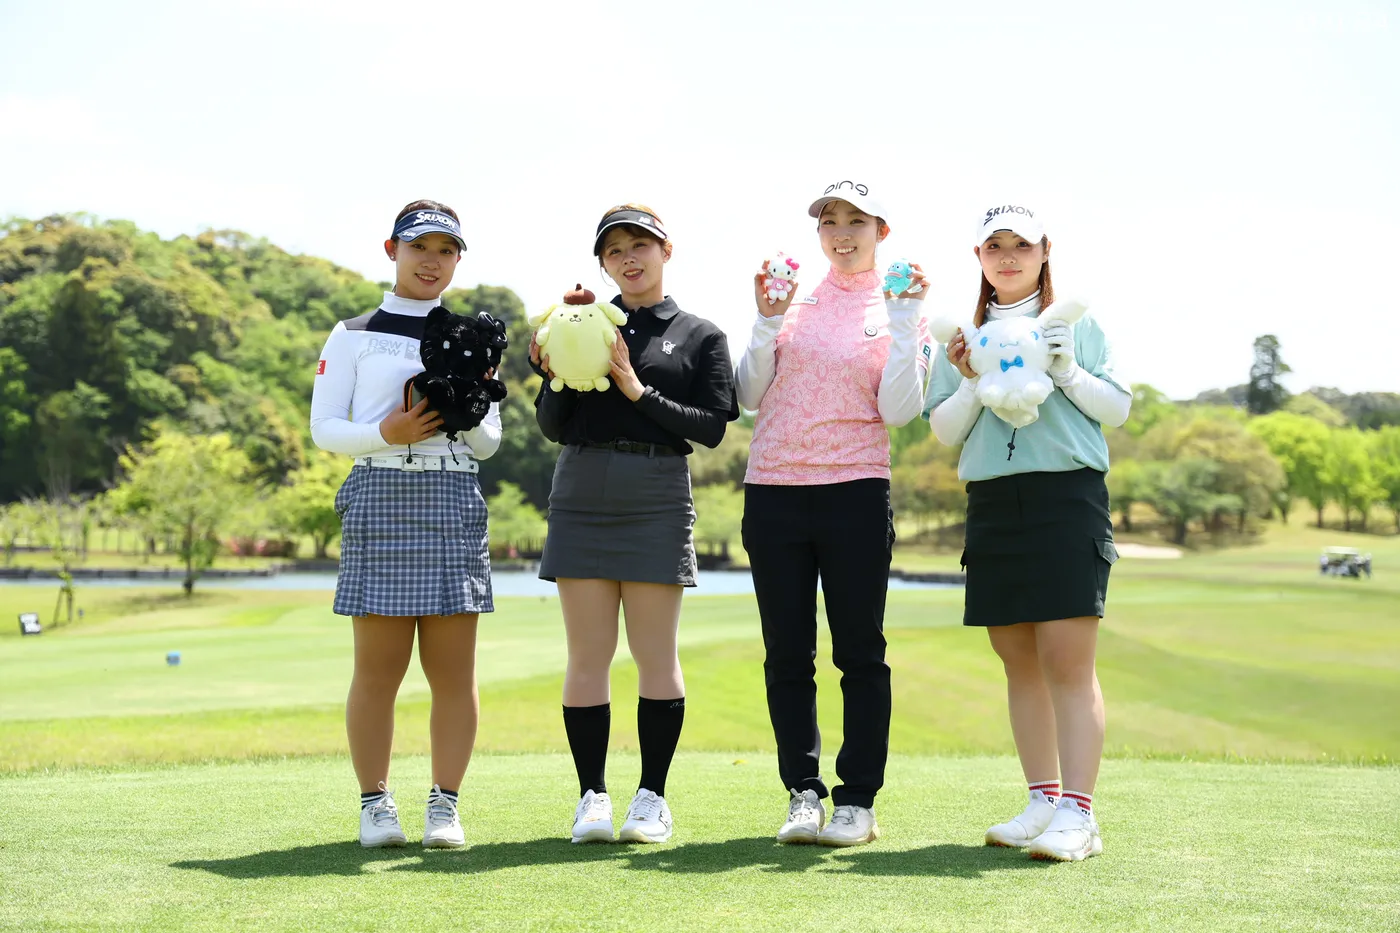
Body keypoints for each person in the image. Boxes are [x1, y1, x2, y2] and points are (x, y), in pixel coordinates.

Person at [924, 202, 1131, 861]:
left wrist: (1065, 371)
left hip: (1066, 496)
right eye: (995, 246)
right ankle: (1043, 799)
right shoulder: (963, 335)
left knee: (1067, 661)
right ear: (979, 257)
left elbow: (1118, 408)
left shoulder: (1076, 323)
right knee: (1017, 658)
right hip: (992, 499)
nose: (1008, 256)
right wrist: (968, 380)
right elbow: (944, 430)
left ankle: (1080, 813)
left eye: (1021, 244)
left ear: (1044, 251)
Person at [530, 203, 739, 844]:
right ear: (602, 263)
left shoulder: (700, 335)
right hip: (581, 488)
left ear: (665, 251)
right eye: (614, 249)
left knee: (655, 653)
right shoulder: (580, 325)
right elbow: (553, 426)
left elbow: (711, 427)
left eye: (640, 245)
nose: (629, 258)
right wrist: (555, 376)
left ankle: (651, 797)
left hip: (656, 491)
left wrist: (636, 389)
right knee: (587, 655)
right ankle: (592, 797)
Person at [734, 181, 932, 847]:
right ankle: (803, 792)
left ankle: (857, 801)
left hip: (855, 490)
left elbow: (899, 410)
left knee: (860, 653)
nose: (842, 232)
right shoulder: (791, 298)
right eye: (830, 220)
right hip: (774, 490)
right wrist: (765, 320)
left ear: (881, 231)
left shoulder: (901, 305)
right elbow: (748, 394)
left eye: (856, 221)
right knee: (788, 654)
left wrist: (904, 324)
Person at [310, 199, 501, 849]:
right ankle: (375, 805)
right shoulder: (353, 333)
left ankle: (444, 805)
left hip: (451, 493)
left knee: (453, 673)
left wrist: (470, 397)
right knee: (378, 670)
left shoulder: (472, 335)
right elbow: (324, 428)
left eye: (447, 251)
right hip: (380, 490)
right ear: (392, 250)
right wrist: (385, 433)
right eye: (420, 247)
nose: (432, 261)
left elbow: (488, 444)